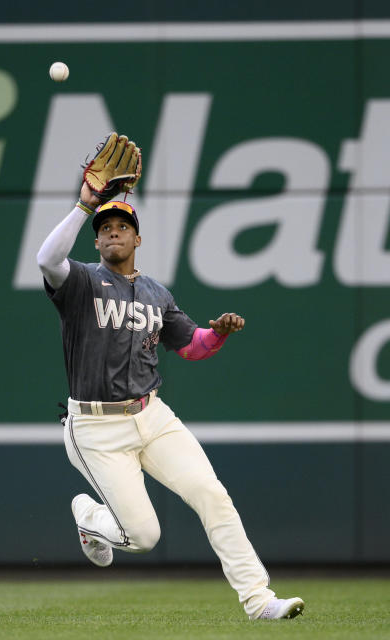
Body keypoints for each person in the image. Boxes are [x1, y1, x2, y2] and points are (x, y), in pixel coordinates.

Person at [35, 150, 305, 620]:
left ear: (137, 237)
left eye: (120, 226)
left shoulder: (157, 294)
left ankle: (259, 600)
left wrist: (218, 332)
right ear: (96, 243)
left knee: (212, 494)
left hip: (152, 416)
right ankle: (90, 517)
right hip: (95, 428)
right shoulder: (80, 284)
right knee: (144, 538)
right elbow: (46, 258)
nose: (111, 232)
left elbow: (192, 346)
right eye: (104, 229)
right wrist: (84, 206)